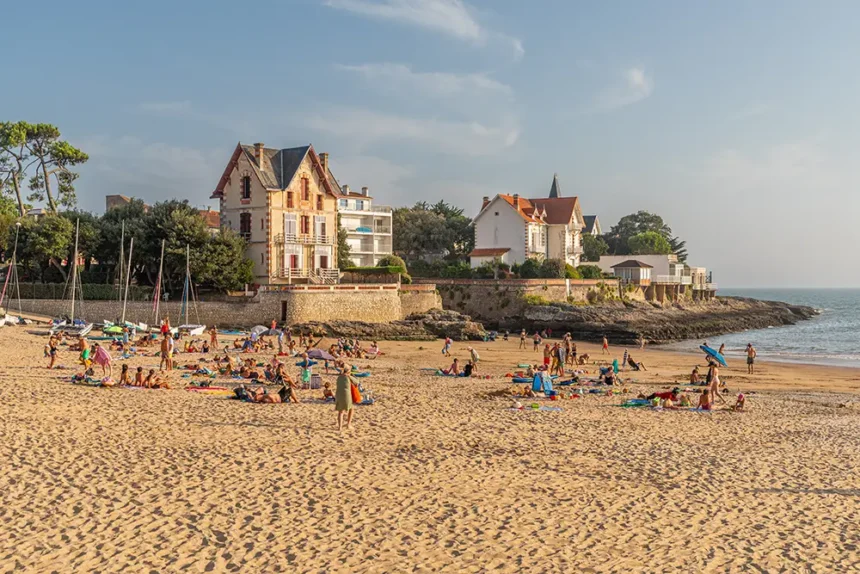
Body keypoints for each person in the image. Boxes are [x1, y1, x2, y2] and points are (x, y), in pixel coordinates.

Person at [335, 362, 355, 431]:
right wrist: (350, 376)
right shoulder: (348, 377)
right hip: (346, 395)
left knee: (340, 412)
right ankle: (348, 424)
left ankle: (340, 427)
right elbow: (356, 382)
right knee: (351, 409)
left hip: (338, 394)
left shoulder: (339, 377)